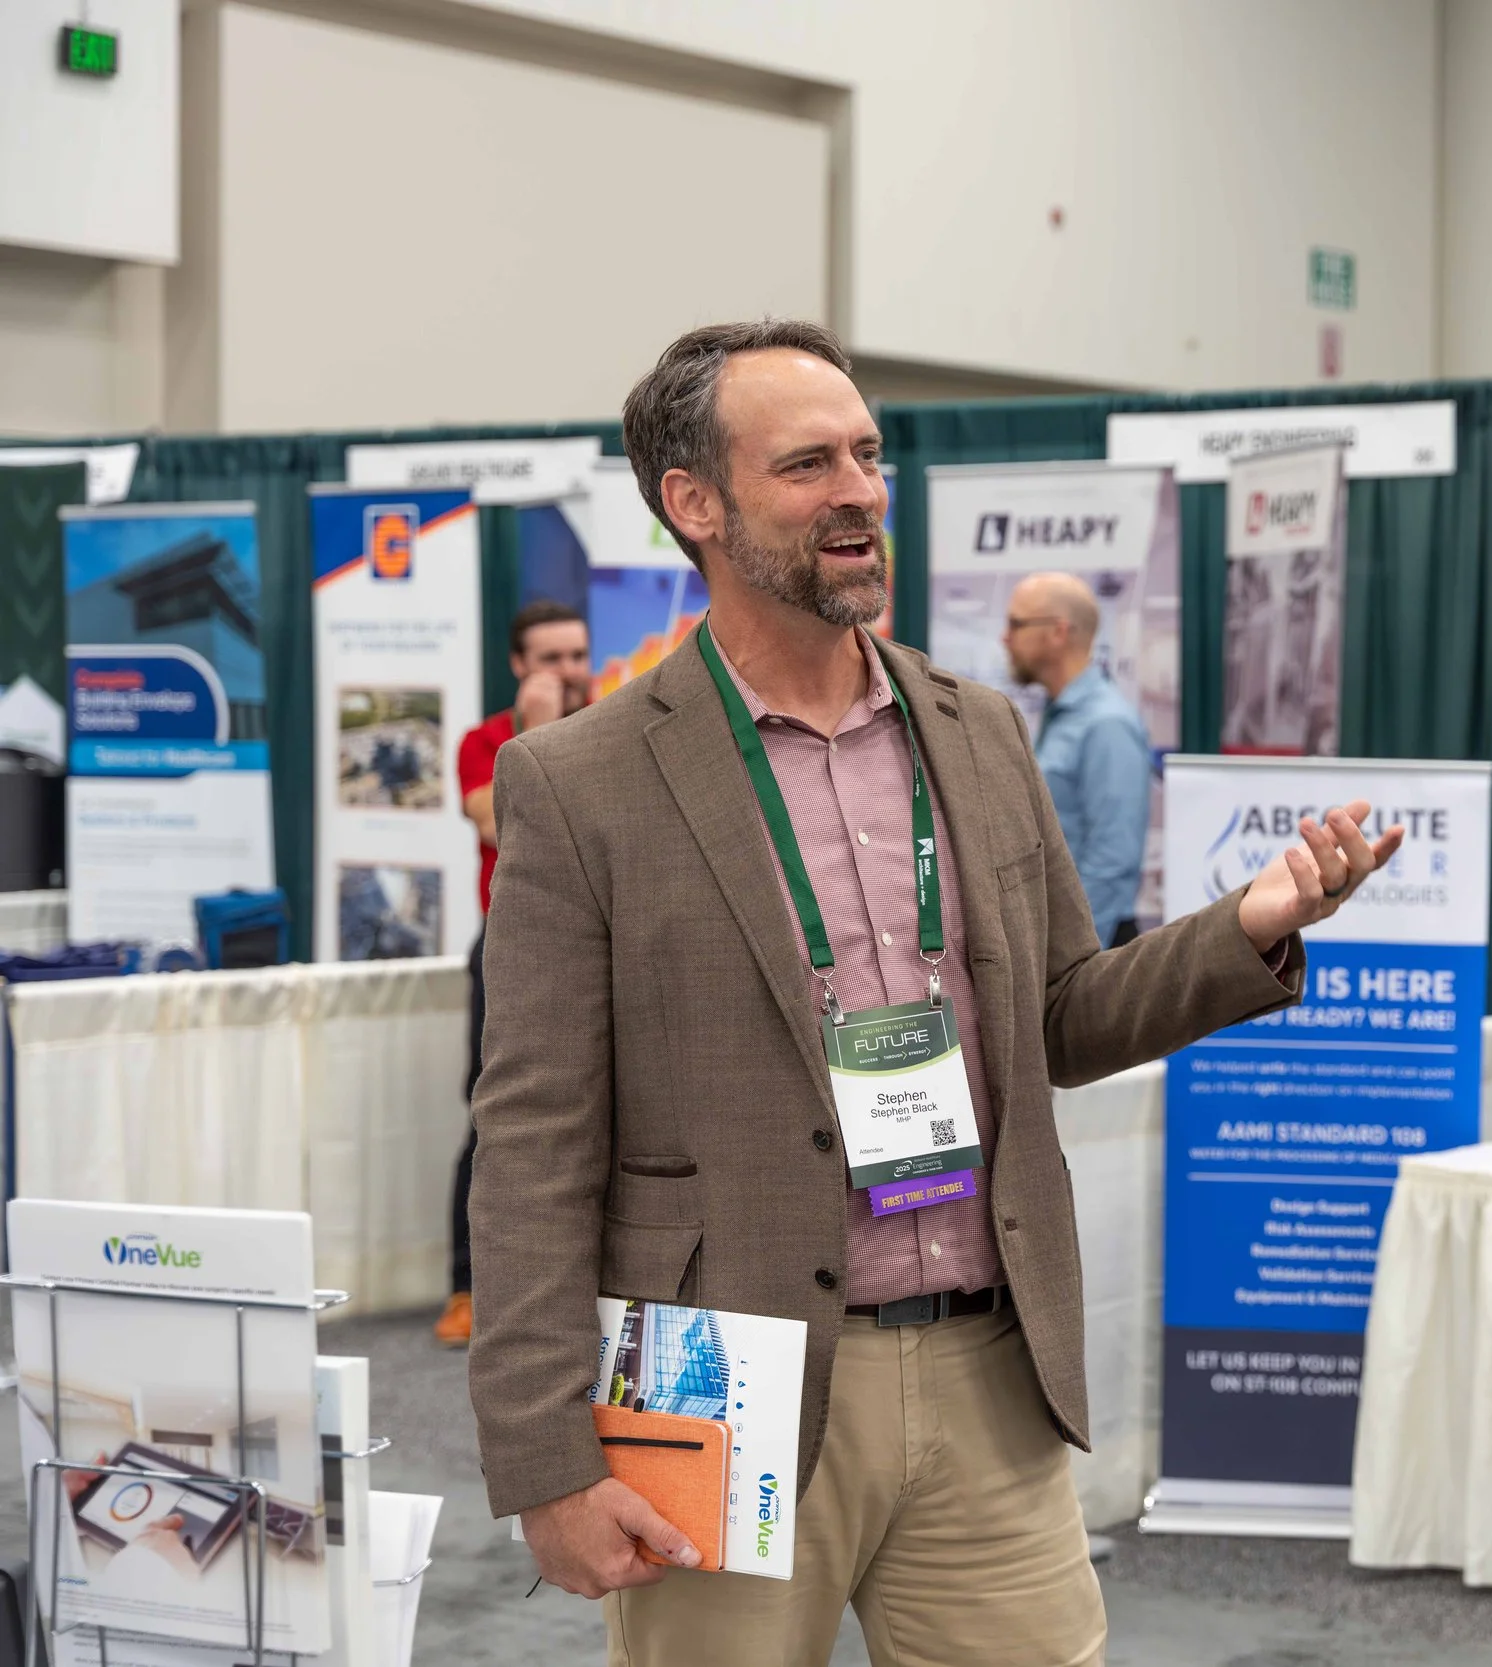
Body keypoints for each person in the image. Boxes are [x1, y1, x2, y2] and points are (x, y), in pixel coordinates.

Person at [466, 319, 1402, 1666]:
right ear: (695, 503)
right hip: (725, 1378)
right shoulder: (583, 779)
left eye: (868, 452)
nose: (858, 489)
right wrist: (546, 1454)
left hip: (985, 1367)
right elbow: (534, 1137)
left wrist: (1248, 926)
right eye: (807, 464)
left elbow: (1065, 1014)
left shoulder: (977, 728)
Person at [435, 598, 592, 1348]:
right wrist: (537, 732)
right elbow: (498, 817)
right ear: (519, 665)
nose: (570, 670)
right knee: (496, 1114)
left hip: (601, 937)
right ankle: (467, 1286)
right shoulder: (487, 739)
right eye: (553, 657)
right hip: (511, 942)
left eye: (578, 654)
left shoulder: (615, 723)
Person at [1003, 571, 1153, 945]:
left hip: (1094, 944)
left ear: (1058, 632)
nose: (1006, 638)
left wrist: (1075, 958)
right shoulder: (1060, 715)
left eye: (1017, 624)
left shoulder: (1106, 725)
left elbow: (1113, 859)